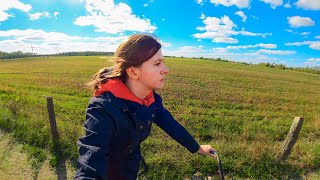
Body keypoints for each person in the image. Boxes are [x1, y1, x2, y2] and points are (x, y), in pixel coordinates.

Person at [74, 34, 216, 179]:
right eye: (157, 63)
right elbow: (91, 160)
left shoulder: (150, 99)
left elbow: (171, 125)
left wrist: (197, 147)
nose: (165, 69)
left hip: (131, 169)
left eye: (163, 62)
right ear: (133, 72)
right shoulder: (103, 109)